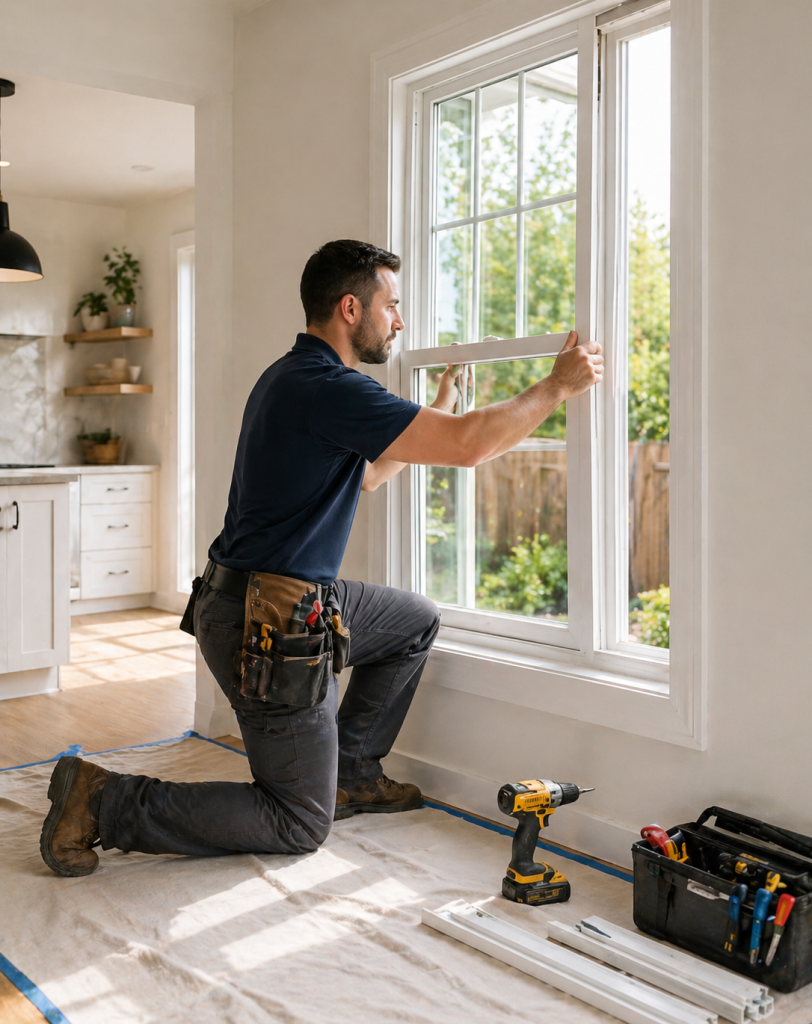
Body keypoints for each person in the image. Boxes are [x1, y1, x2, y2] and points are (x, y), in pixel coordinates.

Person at [39, 239, 603, 877]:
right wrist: (558, 385)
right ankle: (104, 802)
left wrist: (437, 410)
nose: (400, 320)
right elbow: (471, 447)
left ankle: (353, 772)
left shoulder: (296, 377)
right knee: (299, 821)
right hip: (266, 625)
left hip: (278, 599)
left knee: (412, 619)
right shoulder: (326, 387)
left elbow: (363, 478)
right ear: (349, 308)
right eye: (392, 305)